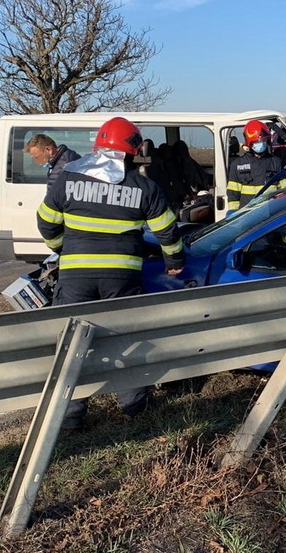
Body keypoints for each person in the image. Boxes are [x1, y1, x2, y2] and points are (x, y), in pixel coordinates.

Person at [36, 116, 185, 430]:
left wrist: (64, 248)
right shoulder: (144, 186)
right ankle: (134, 406)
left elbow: (46, 223)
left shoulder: (66, 179)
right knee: (124, 338)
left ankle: (70, 415)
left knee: (71, 344)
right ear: (132, 151)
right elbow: (168, 232)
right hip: (122, 278)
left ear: (98, 146)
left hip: (76, 278)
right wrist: (174, 262)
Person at [227, 120, 286, 213]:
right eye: (256, 142)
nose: (261, 144)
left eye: (263, 141)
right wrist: (233, 213)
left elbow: (284, 191)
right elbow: (233, 195)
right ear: (249, 143)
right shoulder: (237, 165)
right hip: (247, 214)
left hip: (270, 212)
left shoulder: (276, 162)